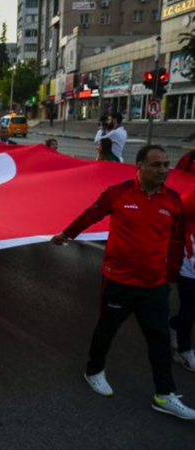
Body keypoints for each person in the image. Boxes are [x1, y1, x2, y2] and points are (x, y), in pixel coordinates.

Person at [51, 145, 195, 420]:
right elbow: (92, 213)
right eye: (156, 165)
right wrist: (67, 234)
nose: (163, 170)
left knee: (159, 339)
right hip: (118, 281)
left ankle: (164, 394)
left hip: (154, 286)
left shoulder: (173, 201)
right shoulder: (118, 193)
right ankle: (94, 371)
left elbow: (176, 242)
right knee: (107, 330)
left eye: (166, 164)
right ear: (138, 167)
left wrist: (172, 276)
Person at [170, 187, 195, 372]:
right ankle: (183, 349)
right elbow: (172, 220)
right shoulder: (191, 198)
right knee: (190, 307)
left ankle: (174, 324)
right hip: (189, 262)